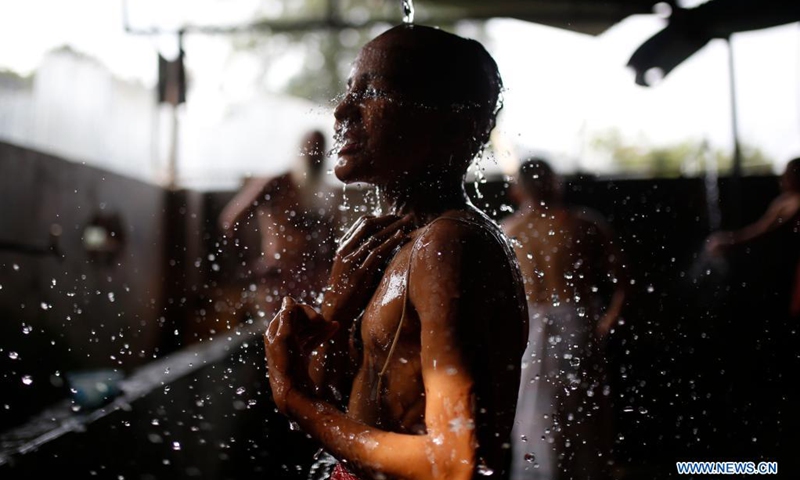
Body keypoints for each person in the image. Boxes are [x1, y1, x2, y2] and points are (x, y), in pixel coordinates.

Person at [263, 24, 529, 480]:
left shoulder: (448, 244)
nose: (343, 110)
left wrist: (295, 401)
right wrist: (335, 314)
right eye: (349, 90)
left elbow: (456, 463)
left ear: (452, 126)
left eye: (373, 92)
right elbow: (358, 401)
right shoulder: (398, 243)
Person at [501, 159, 627, 480]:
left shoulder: (506, 231)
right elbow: (625, 284)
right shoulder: (583, 223)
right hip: (574, 322)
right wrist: (605, 324)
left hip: (530, 328)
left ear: (518, 190)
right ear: (555, 183)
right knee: (582, 407)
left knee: (535, 412)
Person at [212, 130, 337, 333]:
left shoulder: (323, 191)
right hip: (279, 278)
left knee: (310, 339)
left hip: (313, 280)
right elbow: (230, 221)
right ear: (300, 150)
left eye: (319, 150)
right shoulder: (277, 183)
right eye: (310, 148)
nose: (314, 155)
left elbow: (331, 240)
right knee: (279, 337)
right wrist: (248, 265)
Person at [706, 158, 800, 317]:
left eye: (788, 174)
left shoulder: (794, 202)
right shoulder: (785, 200)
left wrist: (731, 241)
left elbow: (766, 232)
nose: (783, 178)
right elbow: (762, 228)